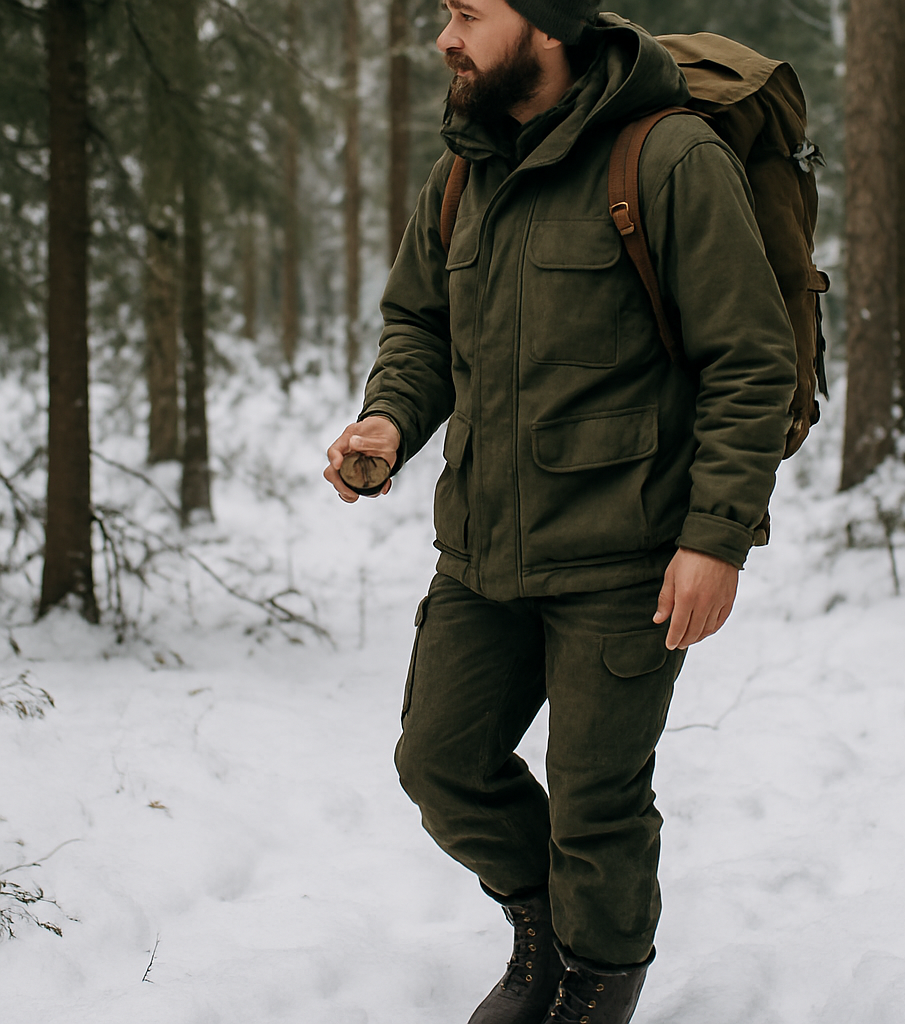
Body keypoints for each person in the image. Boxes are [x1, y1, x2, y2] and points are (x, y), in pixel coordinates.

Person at [324, 2, 797, 1021]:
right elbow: (418, 319)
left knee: (595, 805)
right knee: (440, 762)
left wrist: (714, 539)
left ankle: (596, 985)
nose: (443, 38)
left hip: (626, 556)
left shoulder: (666, 160)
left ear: (541, 22)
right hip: (482, 548)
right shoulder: (464, 167)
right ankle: (544, 929)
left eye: (465, 13)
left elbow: (750, 362)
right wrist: (387, 420)